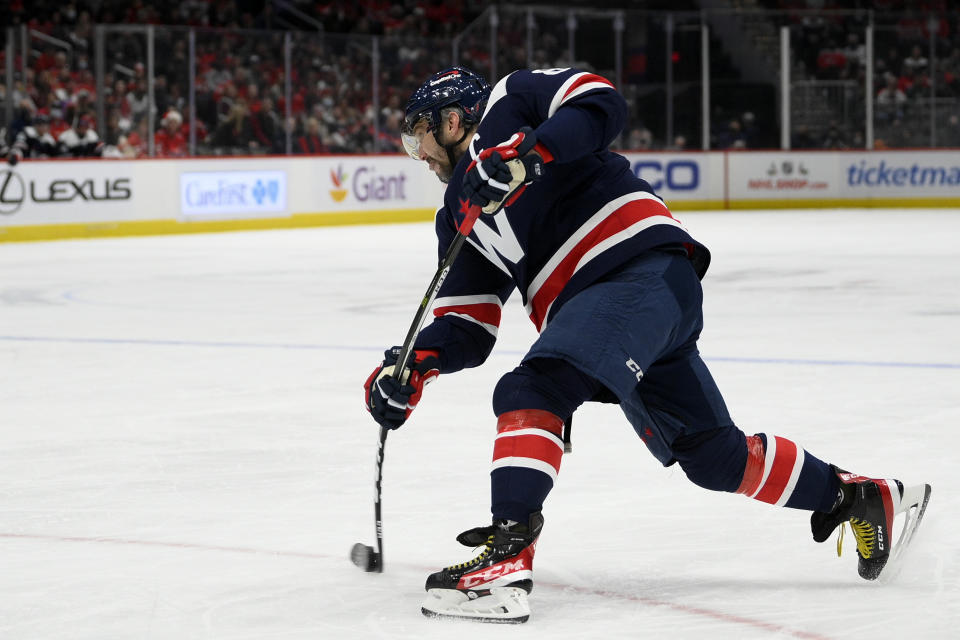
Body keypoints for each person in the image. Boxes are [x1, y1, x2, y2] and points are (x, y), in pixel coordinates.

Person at [363, 66, 932, 623]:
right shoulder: (456, 215)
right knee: (713, 457)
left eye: (421, 138)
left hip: (634, 271)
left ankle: (507, 558)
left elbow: (600, 104)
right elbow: (469, 321)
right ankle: (857, 496)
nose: (421, 155)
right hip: (629, 303)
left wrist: (527, 155)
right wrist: (416, 365)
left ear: (455, 119)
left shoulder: (512, 99)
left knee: (533, 386)